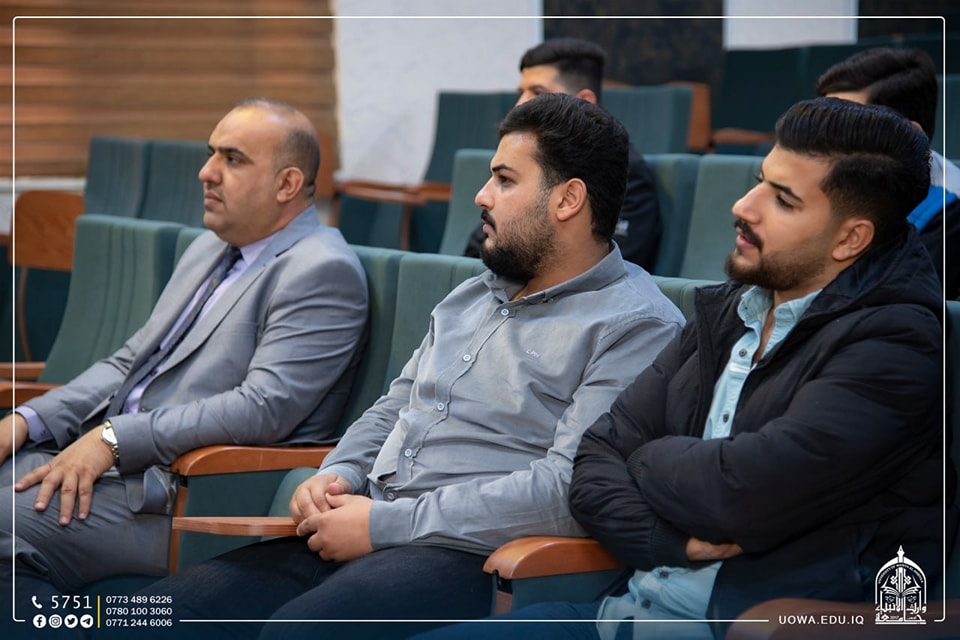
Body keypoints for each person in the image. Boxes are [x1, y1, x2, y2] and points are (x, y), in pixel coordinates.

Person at [132, 92, 685, 640]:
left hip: (469, 554)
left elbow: (566, 491)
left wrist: (384, 525)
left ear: (567, 200)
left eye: (504, 180)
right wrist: (336, 473)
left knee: (294, 634)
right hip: (366, 521)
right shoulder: (472, 295)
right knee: (146, 616)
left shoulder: (636, 325)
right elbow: (394, 407)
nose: (481, 195)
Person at [416, 97, 954, 640]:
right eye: (759, 182)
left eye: (783, 200)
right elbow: (594, 464)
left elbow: (739, 495)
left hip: (749, 627)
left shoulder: (896, 344)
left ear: (850, 238)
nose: (744, 206)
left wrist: (646, 456)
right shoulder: (729, 310)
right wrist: (668, 540)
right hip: (622, 614)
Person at [0, 99, 369, 626]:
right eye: (211, 153)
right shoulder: (209, 247)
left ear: (287, 184)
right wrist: (26, 420)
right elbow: (129, 362)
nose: (206, 172)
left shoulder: (321, 269)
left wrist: (113, 439)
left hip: (182, 495)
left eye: (232, 159)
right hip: (118, 468)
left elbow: (262, 408)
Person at [464, 37, 662, 271]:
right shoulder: (521, 161)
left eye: (538, 92)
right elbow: (476, 251)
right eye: (521, 92)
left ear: (584, 102)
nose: (520, 104)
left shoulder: (627, 173)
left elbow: (603, 267)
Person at [815, 46, 960, 297]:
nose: (822, 139)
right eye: (823, 120)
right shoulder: (812, 177)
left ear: (908, 134)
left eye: (849, 126)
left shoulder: (949, 214)